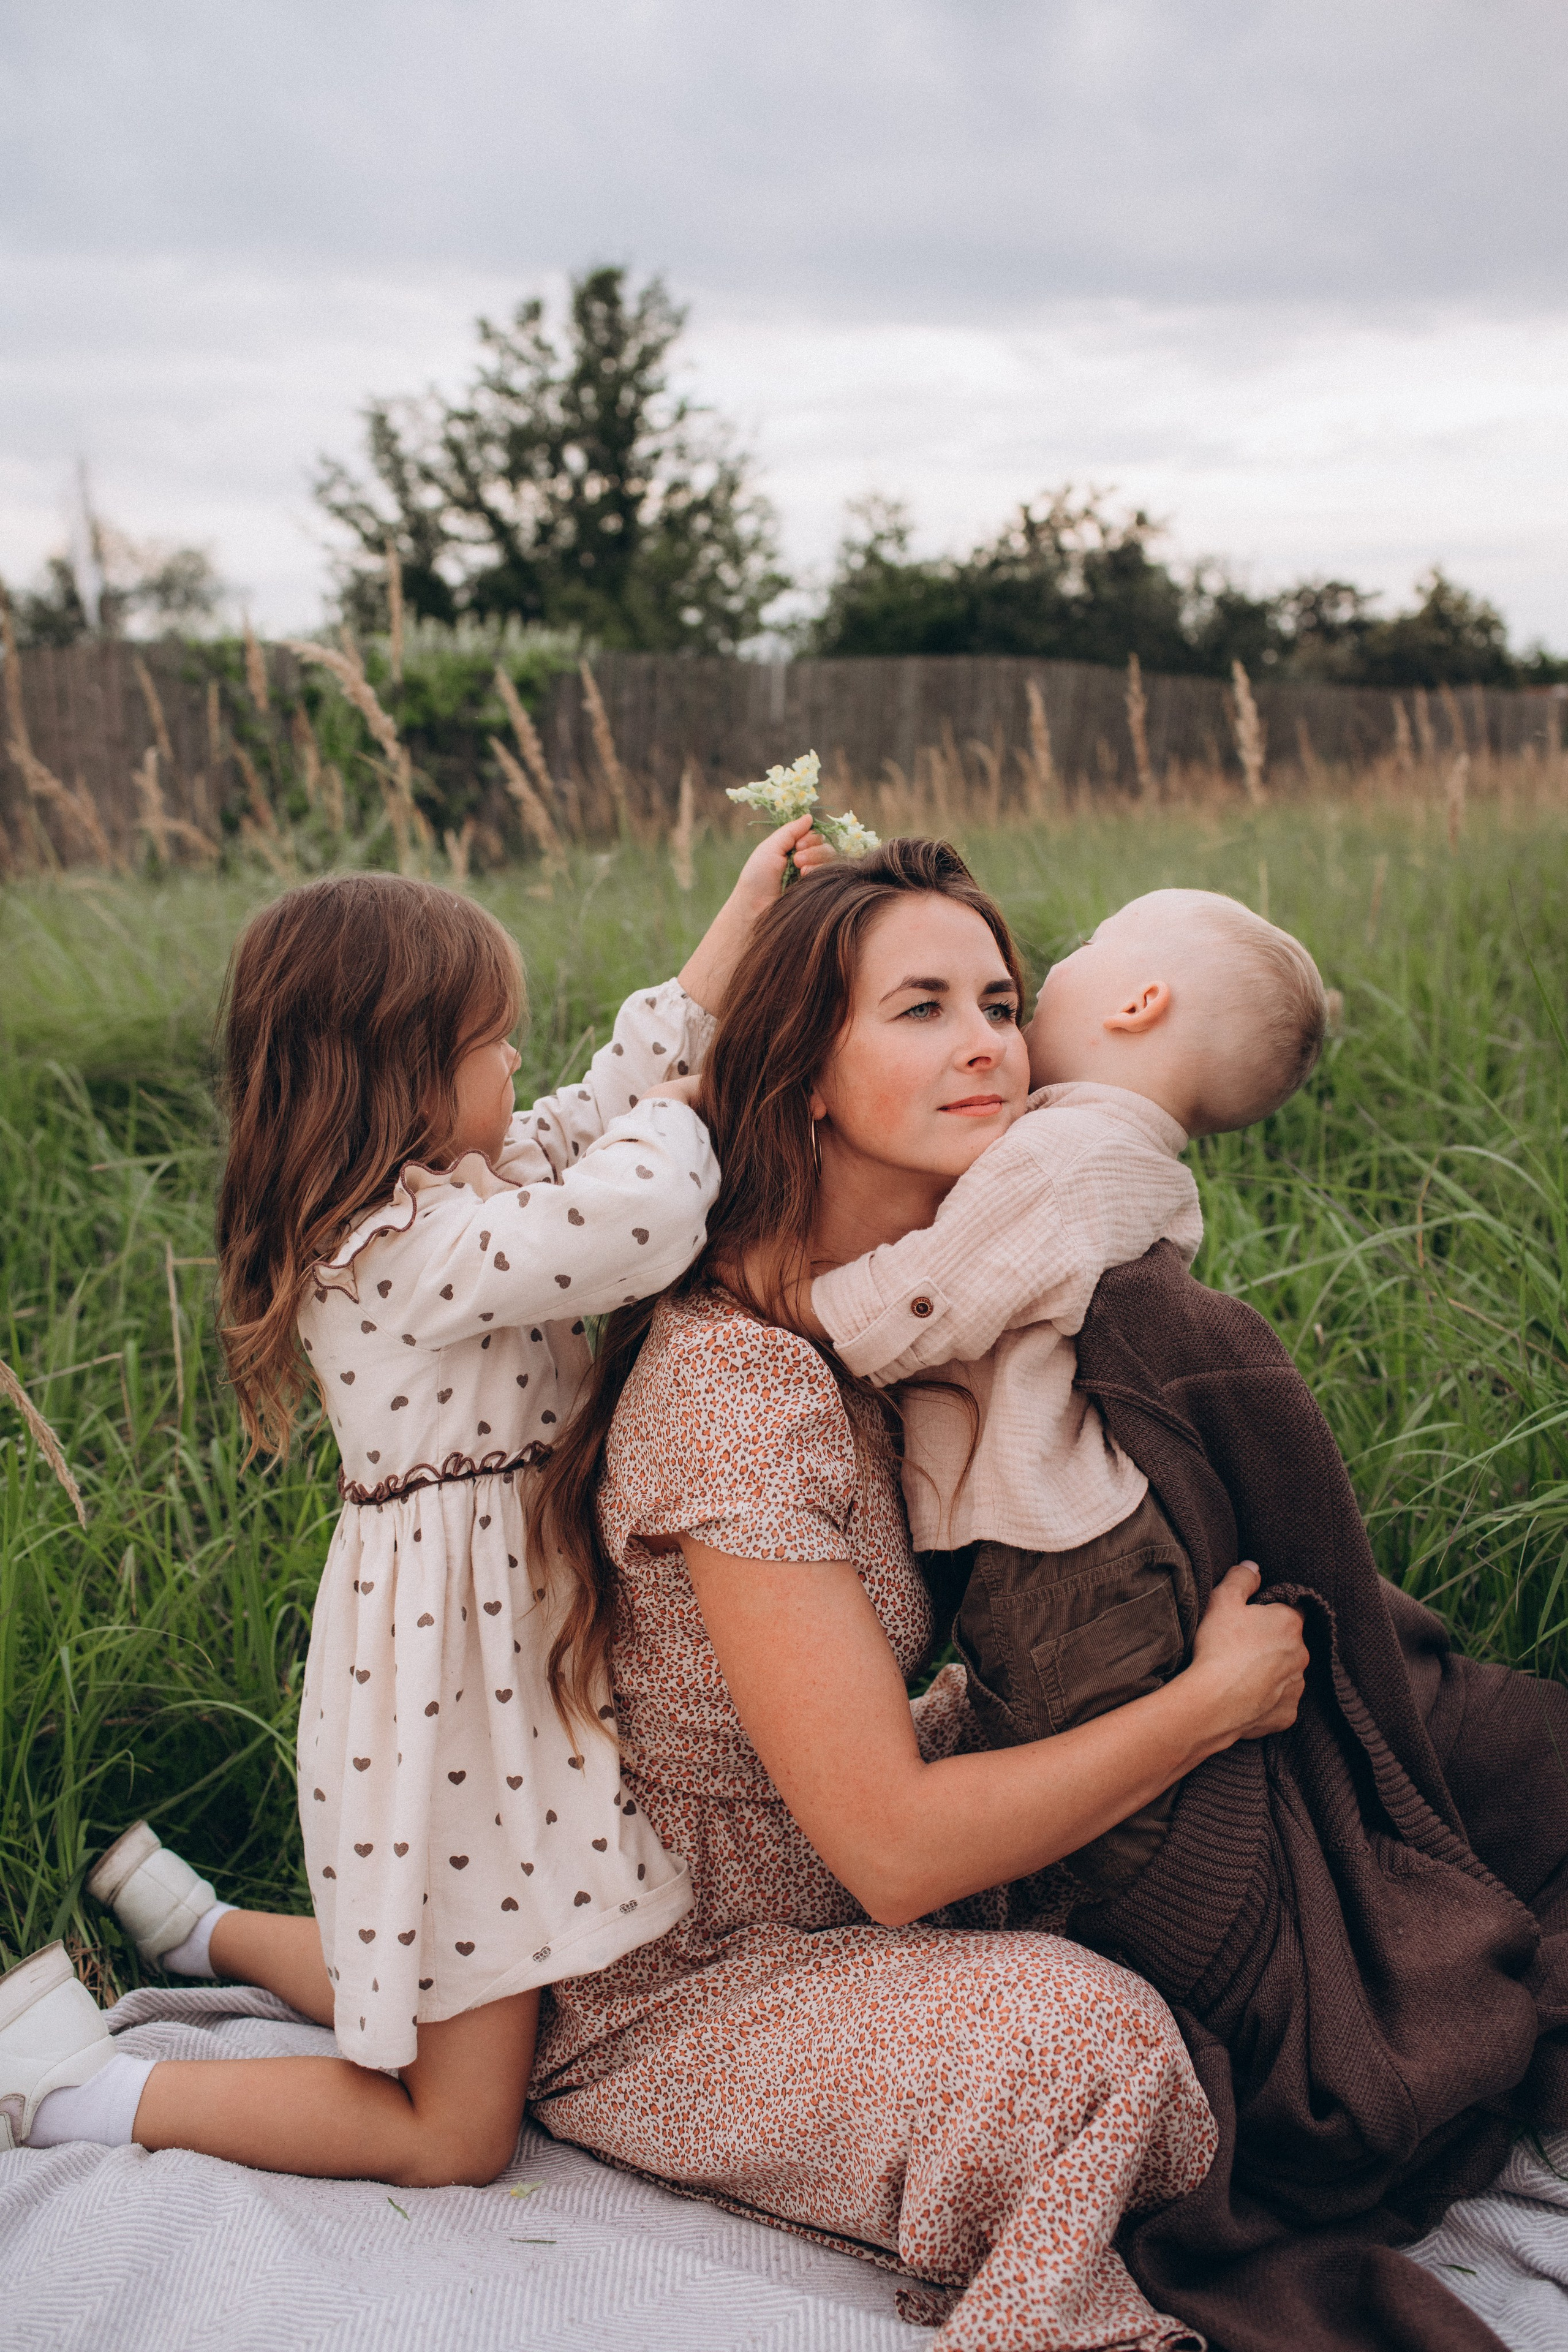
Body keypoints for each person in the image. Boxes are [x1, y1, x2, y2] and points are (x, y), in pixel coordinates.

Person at [524, 838, 1310, 2351]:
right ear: (807, 1074)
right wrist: (1203, 1709)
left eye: (1001, 1000)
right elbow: (888, 1852)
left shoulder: (909, 1323)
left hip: (833, 1881)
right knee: (1088, 2047)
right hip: (693, 1985)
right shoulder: (736, 1387)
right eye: (921, 1007)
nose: (987, 1046)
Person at [0, 818, 829, 2185]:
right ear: (397, 1078)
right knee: (455, 2129)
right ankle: (77, 2092)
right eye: (491, 1045)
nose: (518, 1067)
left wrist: (740, 918)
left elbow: (596, 1107)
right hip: (459, 1692)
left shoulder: (454, 1186)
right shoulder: (395, 1253)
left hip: (503, 1671)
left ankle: (200, 1931)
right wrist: (686, 1119)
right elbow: (628, 1218)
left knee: (467, 1960)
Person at [805, 888, 1329, 1898]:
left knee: (1097, 1837)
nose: (1003, 1024)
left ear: (1137, 1003)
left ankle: (1118, 1942)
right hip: (1081, 1554)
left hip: (1068, 1565)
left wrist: (775, 1287)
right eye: (928, 1009)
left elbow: (925, 1302)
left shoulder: (1068, 1157)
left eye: (1083, 944)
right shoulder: (1095, 1146)